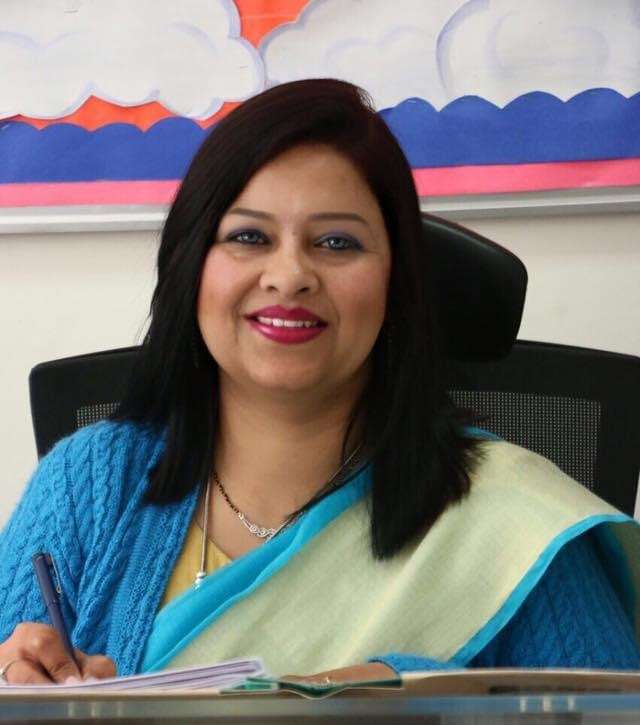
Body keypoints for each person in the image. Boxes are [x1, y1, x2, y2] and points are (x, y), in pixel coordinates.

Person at [1, 79, 639, 686]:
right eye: (248, 236)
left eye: (337, 243)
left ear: (395, 281)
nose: (289, 276)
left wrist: (413, 695)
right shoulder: (86, 486)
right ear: (191, 267)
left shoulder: (514, 529)